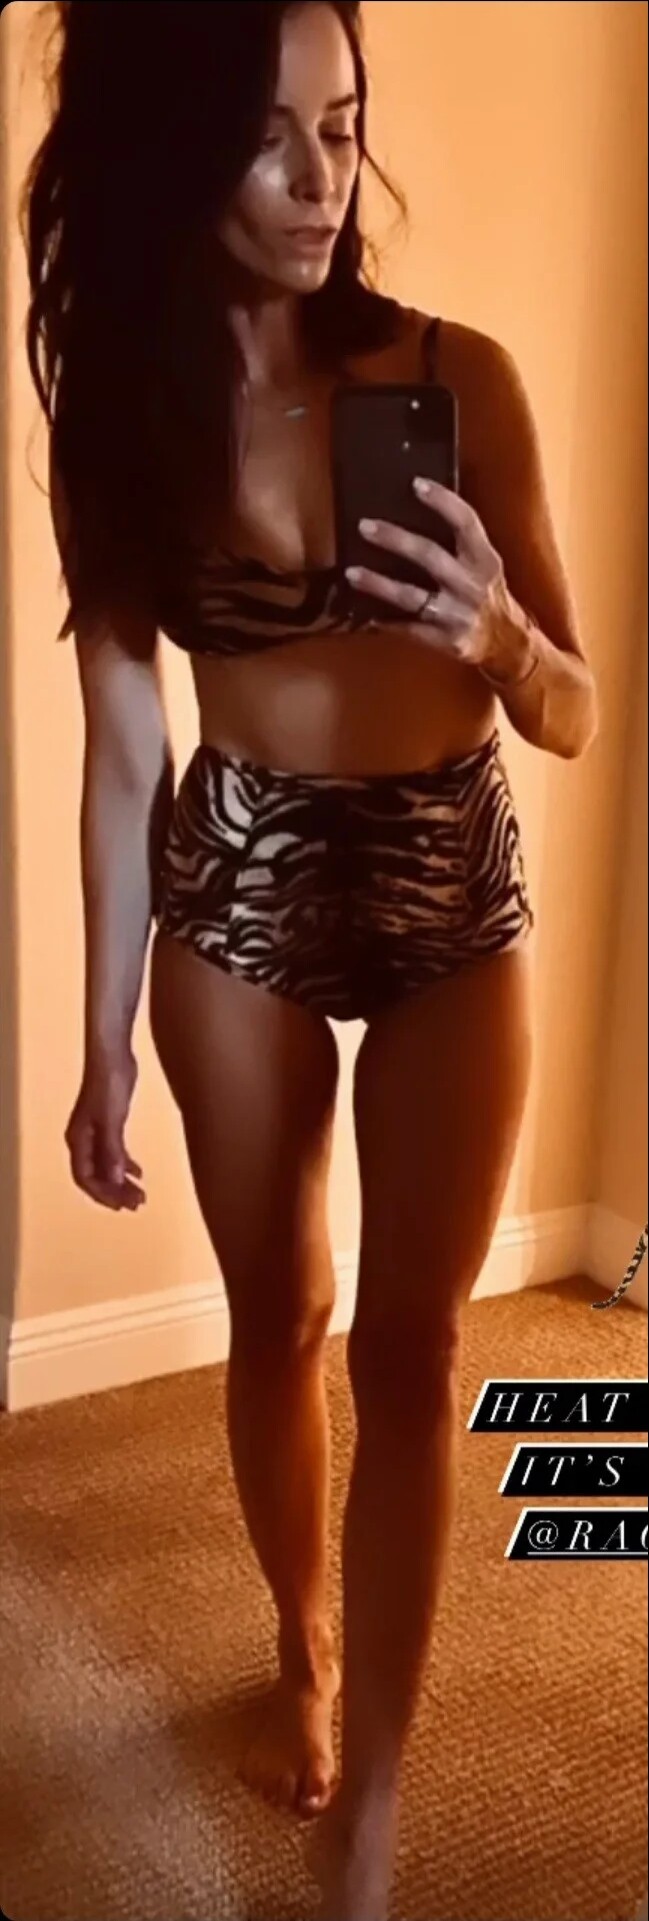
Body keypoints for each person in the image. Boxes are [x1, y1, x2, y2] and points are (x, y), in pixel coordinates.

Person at [24, 3, 598, 1916]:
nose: (315, 179)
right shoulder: (123, 411)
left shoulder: (456, 375)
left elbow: (578, 711)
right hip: (242, 881)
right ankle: (302, 1640)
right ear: (171, 155)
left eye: (341, 129)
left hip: (446, 880)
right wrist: (104, 1035)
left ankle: (378, 1802)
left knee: (416, 1344)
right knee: (279, 1313)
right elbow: (126, 747)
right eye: (267, 138)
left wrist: (499, 635)